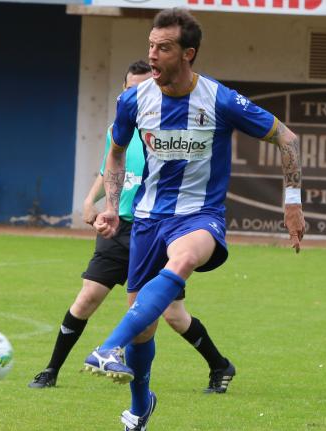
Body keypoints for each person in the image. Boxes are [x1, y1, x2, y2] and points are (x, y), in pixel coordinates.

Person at [83, 8, 305, 431]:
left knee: (183, 261)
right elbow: (115, 156)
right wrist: (110, 208)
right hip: (146, 220)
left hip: (200, 214)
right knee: (144, 323)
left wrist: (292, 201)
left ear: (187, 53)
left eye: (162, 48)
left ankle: (108, 347)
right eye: (150, 46)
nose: (153, 55)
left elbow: (288, 138)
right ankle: (141, 404)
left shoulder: (220, 100)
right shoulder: (133, 101)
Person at [29, 60, 235, 393]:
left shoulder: (169, 129)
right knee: (86, 299)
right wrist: (90, 201)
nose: (140, 93)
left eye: (146, 87)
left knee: (173, 315)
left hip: (157, 229)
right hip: (119, 228)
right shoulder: (121, 127)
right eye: (132, 88)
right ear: (124, 91)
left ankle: (220, 365)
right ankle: (51, 370)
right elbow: (108, 167)